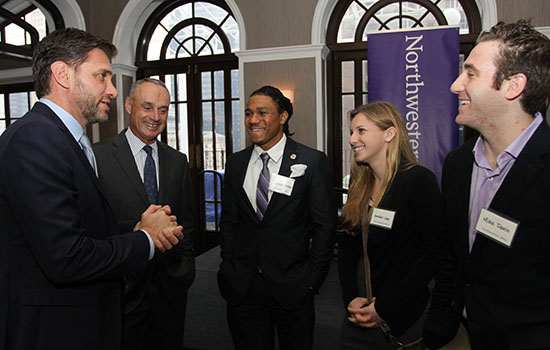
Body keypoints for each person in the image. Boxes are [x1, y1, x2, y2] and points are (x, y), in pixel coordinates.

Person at [0, 28, 183, 350]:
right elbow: (66, 257)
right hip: (55, 330)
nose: (112, 90)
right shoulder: (36, 139)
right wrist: (145, 238)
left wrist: (135, 227)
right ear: (62, 74)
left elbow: (81, 225)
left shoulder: (65, 138)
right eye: (102, 76)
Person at [423, 20, 550, 350]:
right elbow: (450, 256)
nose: (455, 85)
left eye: (471, 73)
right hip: (459, 334)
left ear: (512, 86)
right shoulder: (458, 164)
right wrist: (439, 324)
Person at [217, 85, 337, 350]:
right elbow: (229, 221)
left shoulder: (311, 161)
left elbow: (324, 226)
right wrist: (228, 264)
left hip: (293, 286)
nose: (253, 120)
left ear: (283, 117)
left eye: (262, 112)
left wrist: (313, 278)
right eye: (248, 113)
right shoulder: (236, 163)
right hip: (243, 286)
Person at [93, 78, 195, 350]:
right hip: (122, 289)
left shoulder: (177, 161)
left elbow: (187, 219)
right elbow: (94, 227)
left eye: (163, 109)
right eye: (147, 107)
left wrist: (185, 268)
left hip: (170, 288)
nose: (155, 117)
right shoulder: (97, 157)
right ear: (128, 106)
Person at [337, 101, 441, 349]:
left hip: (403, 317)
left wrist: (384, 308)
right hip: (358, 314)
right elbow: (347, 249)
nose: (352, 140)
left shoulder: (418, 181)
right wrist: (350, 297)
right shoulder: (358, 184)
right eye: (351, 132)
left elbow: (431, 256)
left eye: (361, 131)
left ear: (390, 133)